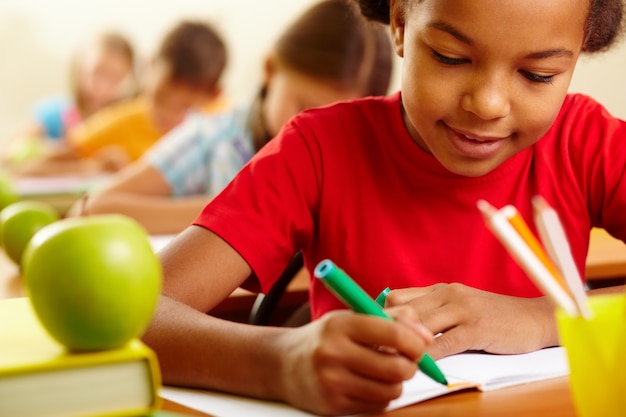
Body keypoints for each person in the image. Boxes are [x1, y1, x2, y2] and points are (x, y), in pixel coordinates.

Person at [142, 0, 626, 415]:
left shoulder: (586, 143)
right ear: (399, 24)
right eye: (450, 57)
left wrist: (546, 320)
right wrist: (280, 361)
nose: (487, 103)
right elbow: (139, 315)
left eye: (537, 74)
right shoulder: (317, 151)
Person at [75, 0, 393, 234]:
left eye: (335, 122)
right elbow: (93, 209)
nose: (313, 129)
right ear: (270, 70)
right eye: (303, 106)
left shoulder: (360, 162)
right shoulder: (213, 139)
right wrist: (236, 208)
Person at [16, 20, 228, 177]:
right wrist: (93, 166)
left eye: (185, 106)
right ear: (149, 65)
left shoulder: (224, 122)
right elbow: (31, 170)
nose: (168, 112)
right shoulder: (115, 122)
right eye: (160, 97)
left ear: (212, 94)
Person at [1, 32, 137, 168]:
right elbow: (10, 151)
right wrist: (51, 150)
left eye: (115, 77)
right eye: (97, 71)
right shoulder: (54, 113)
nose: (103, 86)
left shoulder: (127, 120)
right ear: (80, 67)